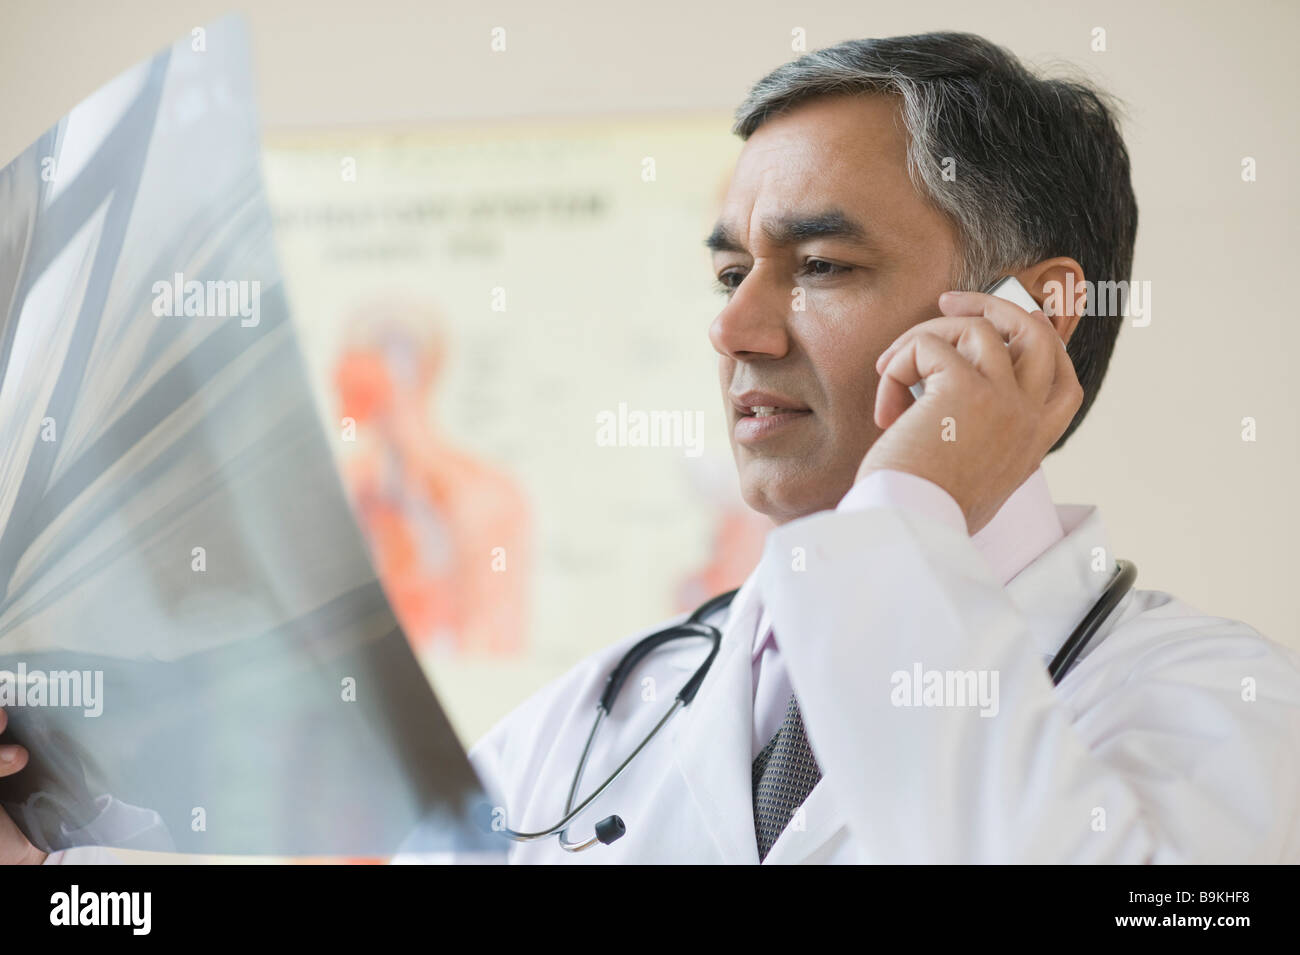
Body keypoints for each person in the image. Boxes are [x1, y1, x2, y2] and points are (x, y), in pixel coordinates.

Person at [7, 31, 1299, 865]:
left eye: (822, 264)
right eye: (732, 267)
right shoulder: (621, 706)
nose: (735, 327)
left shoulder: (1217, 711)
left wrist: (905, 514)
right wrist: (54, 856)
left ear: (1035, 313)